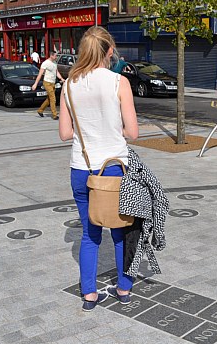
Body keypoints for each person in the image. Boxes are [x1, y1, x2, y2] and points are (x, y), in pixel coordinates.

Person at [58, 26, 139, 311]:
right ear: (109, 51)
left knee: (90, 234)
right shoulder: (119, 82)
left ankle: (89, 294)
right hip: (114, 169)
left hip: (81, 169)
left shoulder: (69, 84)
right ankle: (124, 288)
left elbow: (65, 134)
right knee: (121, 232)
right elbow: (133, 132)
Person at [32, 50, 65, 119]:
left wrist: (61, 78)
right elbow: (40, 74)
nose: (56, 57)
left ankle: (40, 110)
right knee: (53, 98)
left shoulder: (55, 63)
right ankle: (54, 115)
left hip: (53, 82)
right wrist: (35, 84)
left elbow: (56, 72)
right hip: (47, 82)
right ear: (51, 55)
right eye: (55, 56)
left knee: (49, 99)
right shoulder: (45, 63)